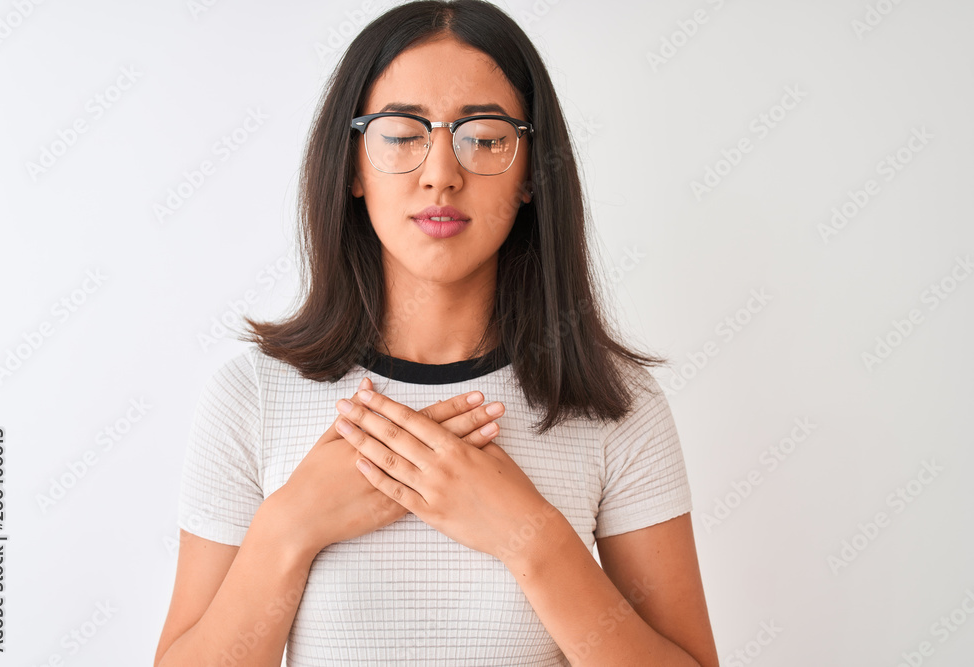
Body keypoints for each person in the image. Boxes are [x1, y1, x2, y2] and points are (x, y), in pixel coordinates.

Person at [154, 1, 719, 665]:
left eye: (484, 137)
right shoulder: (251, 394)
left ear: (534, 171)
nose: (441, 174)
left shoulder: (615, 405)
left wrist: (530, 538)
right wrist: (288, 527)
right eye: (401, 134)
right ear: (354, 167)